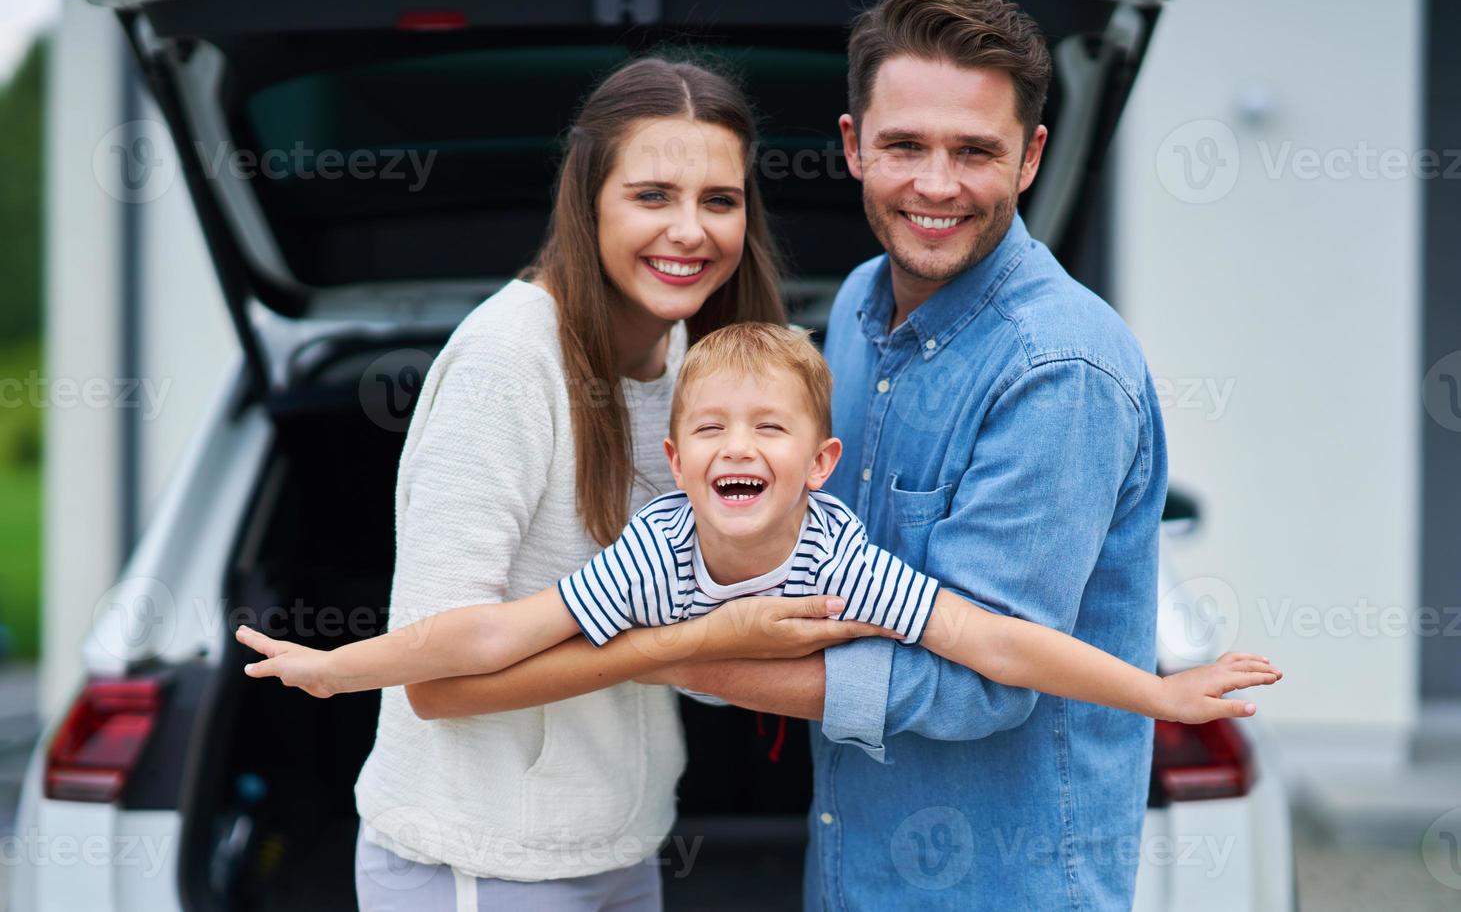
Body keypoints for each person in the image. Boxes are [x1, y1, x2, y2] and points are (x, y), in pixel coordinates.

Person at [649, 0, 1183, 910]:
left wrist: (666, 656)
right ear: (853, 146)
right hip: (853, 870)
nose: (936, 185)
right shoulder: (855, 307)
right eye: (904, 145)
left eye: (974, 151)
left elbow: (982, 684)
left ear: (1029, 158)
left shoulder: (1061, 370)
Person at [343, 56, 892, 912]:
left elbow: (692, 603)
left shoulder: (694, 368)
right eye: (651, 197)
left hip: (621, 847)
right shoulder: (507, 365)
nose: (690, 231)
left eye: (719, 200)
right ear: (588, 197)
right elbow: (433, 676)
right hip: (481, 863)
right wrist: (687, 645)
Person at [237, 323, 1279, 731]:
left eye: (771, 427)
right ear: (676, 463)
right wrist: (342, 663)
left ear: (822, 465)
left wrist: (1156, 688)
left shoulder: (835, 554)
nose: (741, 448)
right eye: (712, 430)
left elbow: (991, 637)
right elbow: (493, 633)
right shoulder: (657, 548)